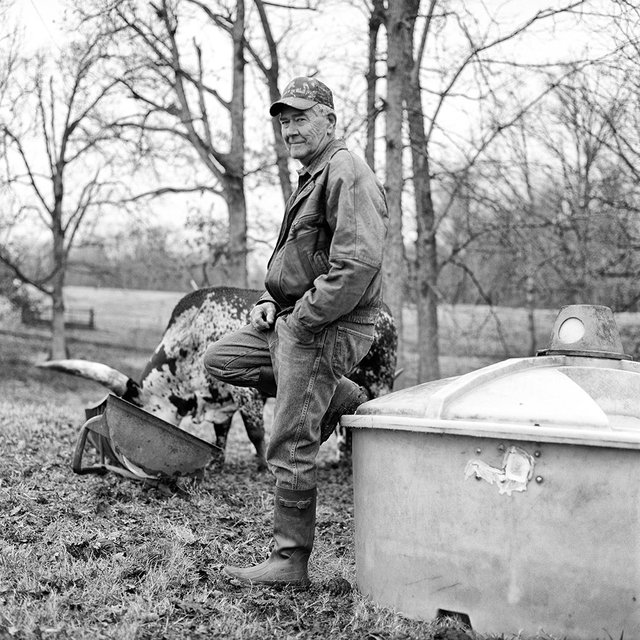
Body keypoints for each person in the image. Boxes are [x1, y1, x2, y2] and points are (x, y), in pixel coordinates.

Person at [203, 76, 388, 587]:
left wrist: (303, 320)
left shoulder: (347, 172)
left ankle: (289, 562)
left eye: (301, 117)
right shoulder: (312, 176)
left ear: (330, 119)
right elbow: (296, 262)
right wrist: (269, 302)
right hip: (292, 319)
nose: (290, 129)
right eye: (284, 121)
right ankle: (335, 394)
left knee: (288, 443)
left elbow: (356, 265)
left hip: (328, 324)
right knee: (221, 359)